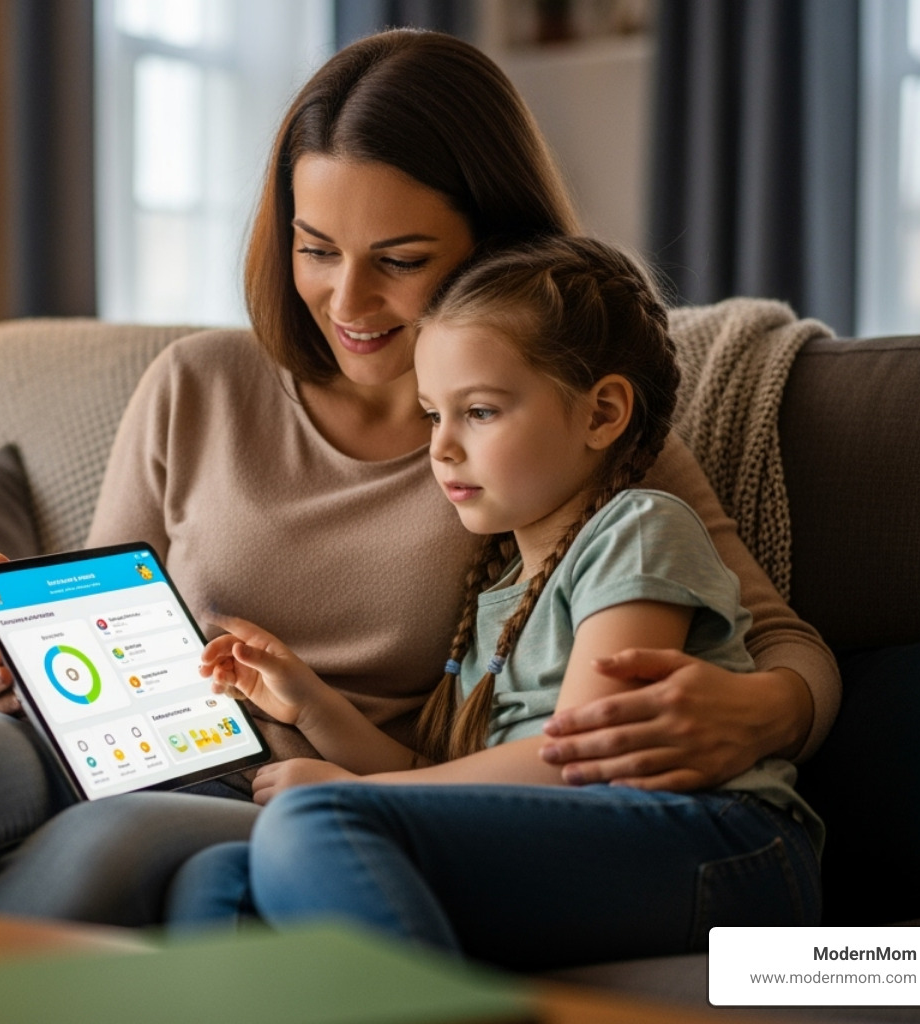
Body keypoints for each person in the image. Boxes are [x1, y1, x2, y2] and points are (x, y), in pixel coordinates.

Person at [0, 29, 838, 927]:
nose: (348, 299)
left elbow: (780, 638)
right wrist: (28, 664)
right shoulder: (196, 381)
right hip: (141, 735)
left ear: (495, 245)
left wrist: (770, 711)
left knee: (95, 857)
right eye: (316, 246)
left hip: (313, 787)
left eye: (402, 258)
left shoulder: (552, 422)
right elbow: (103, 612)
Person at [165, 236, 822, 967]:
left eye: (478, 412)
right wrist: (312, 704)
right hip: (583, 840)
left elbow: (576, 762)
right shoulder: (500, 587)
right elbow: (439, 775)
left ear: (602, 414)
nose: (441, 449)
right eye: (431, 416)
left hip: (719, 844)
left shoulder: (637, 529)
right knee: (217, 877)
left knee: (314, 822)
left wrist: (355, 793)